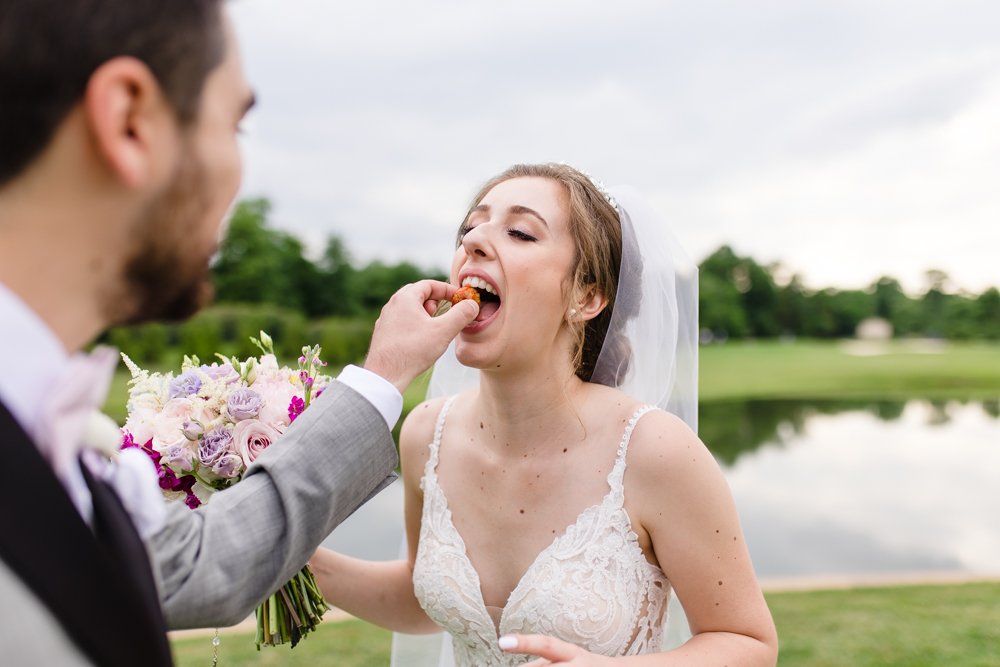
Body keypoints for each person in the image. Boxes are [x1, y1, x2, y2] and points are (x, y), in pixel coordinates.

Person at [0, 2, 479, 666]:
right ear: (128, 120)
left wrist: (383, 373)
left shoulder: (51, 422)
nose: (238, 174)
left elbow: (191, 564)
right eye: (236, 125)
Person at [309, 163, 779, 665]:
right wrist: (282, 552)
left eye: (519, 231)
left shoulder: (654, 451)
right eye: (470, 228)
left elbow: (748, 642)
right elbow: (422, 601)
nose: (474, 242)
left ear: (586, 296)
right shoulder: (426, 432)